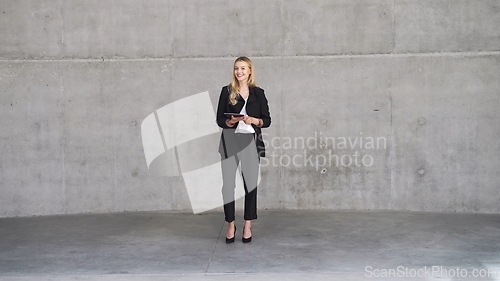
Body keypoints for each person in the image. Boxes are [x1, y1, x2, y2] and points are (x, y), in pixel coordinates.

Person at [216, 56, 271, 243]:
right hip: (230, 141)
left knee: (250, 186)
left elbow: (267, 120)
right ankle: (231, 223)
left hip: (250, 141)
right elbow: (219, 119)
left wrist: (254, 120)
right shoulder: (227, 91)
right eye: (236, 68)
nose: (239, 72)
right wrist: (230, 121)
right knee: (228, 186)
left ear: (249, 71)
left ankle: (248, 224)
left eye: (243, 68)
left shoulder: (259, 93)